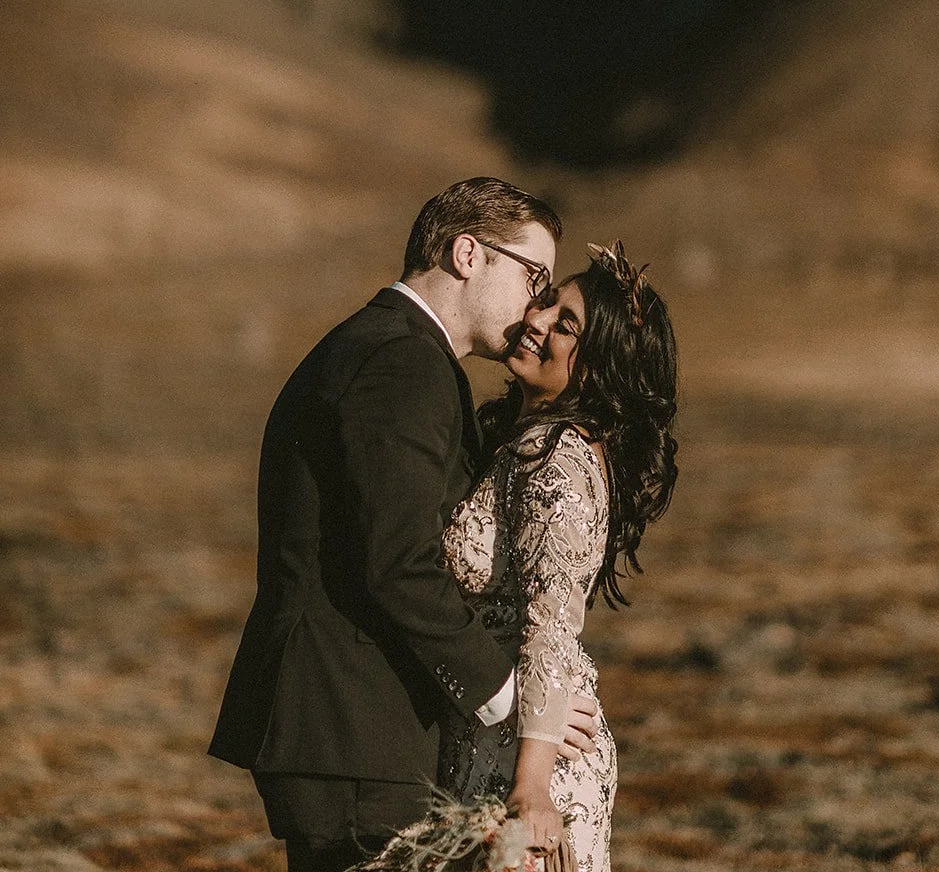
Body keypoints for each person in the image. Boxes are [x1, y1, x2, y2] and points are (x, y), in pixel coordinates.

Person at [209, 177, 598, 872]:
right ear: (467, 254)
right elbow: (399, 562)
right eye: (532, 277)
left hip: (345, 727)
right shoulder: (403, 361)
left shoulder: (381, 345)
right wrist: (512, 698)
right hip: (352, 724)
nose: (535, 306)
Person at [438, 241, 679, 872]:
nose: (537, 319)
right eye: (545, 301)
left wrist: (531, 787)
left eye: (564, 324)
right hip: (497, 734)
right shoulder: (526, 440)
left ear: (595, 371)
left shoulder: (557, 458)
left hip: (531, 763)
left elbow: (551, 623)